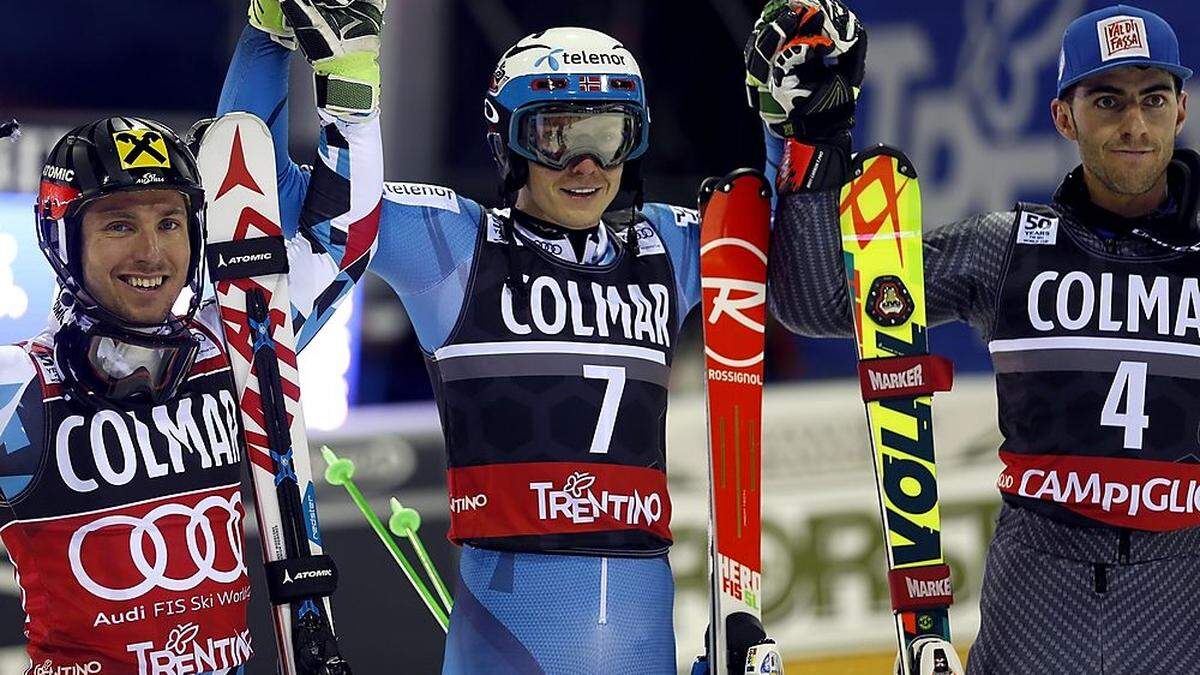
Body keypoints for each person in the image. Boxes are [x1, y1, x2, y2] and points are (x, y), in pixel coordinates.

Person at [222, 2, 712, 671]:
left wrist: (801, 134)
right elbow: (256, 191)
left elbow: (810, 285)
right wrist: (266, 35)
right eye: (557, 137)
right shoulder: (454, 246)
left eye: (612, 135)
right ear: (507, 138)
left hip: (646, 641)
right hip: (506, 641)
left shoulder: (668, 244)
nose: (587, 165)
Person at [753, 1, 1200, 672]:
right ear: (1063, 116)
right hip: (1039, 592)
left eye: (1153, 98)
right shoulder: (1007, 248)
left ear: (1180, 110)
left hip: (1181, 591)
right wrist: (810, 145)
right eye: (1108, 100)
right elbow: (818, 301)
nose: (1135, 123)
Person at [0, 40, 381, 675]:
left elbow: (346, 243)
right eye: (119, 225)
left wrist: (352, 101)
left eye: (170, 223)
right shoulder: (19, 386)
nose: (152, 254)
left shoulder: (235, 344)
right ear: (61, 238)